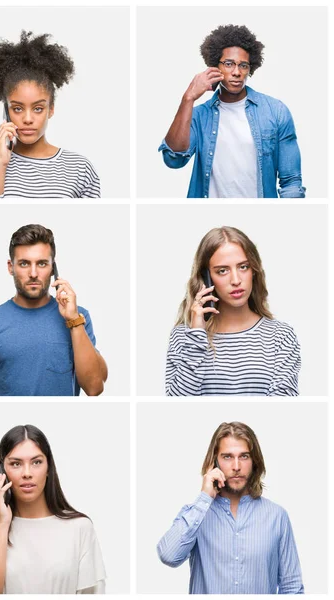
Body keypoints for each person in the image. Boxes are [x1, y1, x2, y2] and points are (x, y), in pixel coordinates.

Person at [158, 24, 305, 198]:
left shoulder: (275, 111)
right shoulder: (199, 116)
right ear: (215, 66)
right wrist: (188, 98)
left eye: (243, 65)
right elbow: (174, 160)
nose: (236, 72)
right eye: (229, 64)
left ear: (250, 68)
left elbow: (291, 181)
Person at [157, 421, 304, 594]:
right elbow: (169, 556)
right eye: (227, 457)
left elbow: (292, 587)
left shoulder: (277, 516)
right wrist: (204, 497)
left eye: (244, 456)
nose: (236, 466)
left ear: (254, 461)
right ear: (215, 463)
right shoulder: (196, 515)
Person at [0, 224, 107, 396]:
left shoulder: (78, 318)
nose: (33, 273)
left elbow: (94, 388)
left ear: (53, 268)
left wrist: (74, 321)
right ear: (10, 267)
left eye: (42, 264)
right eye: (24, 263)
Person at [0, 424, 106, 593]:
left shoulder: (80, 527)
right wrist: (3, 524)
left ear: (48, 468)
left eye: (36, 462)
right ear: (3, 471)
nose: (27, 473)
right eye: (16, 464)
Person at [165, 226, 300, 396]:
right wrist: (197, 334)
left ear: (254, 271)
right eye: (222, 271)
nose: (236, 280)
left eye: (243, 267)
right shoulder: (184, 336)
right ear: (206, 277)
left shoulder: (280, 336)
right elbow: (179, 402)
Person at [0, 31, 101, 198]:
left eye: (37, 108)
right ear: (6, 111)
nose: (27, 119)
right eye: (17, 108)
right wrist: (0, 164)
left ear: (51, 109)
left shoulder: (80, 168)